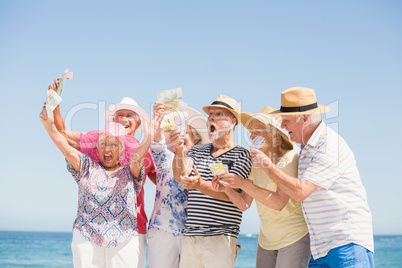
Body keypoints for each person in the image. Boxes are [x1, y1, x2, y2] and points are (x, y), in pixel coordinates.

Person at [252, 87, 374, 267]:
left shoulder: (328, 145)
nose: (283, 125)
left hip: (345, 243)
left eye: (286, 120)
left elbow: (301, 191)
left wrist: (268, 166)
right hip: (319, 247)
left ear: (305, 118)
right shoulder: (305, 148)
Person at [48, 79, 156, 268]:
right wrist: (54, 105)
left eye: (129, 115)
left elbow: (160, 182)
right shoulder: (97, 140)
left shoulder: (146, 150)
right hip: (94, 226)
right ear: (113, 121)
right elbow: (63, 134)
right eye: (120, 115)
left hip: (133, 226)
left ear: (138, 124)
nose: (124, 119)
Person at [213, 106, 311, 268]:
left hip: (293, 238)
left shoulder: (291, 158)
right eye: (251, 131)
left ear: (275, 135)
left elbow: (279, 203)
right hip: (266, 240)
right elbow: (244, 204)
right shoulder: (255, 163)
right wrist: (227, 189)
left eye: (257, 131)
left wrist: (243, 183)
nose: (251, 136)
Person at [172, 95, 252, 268]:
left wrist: (200, 185)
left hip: (221, 237)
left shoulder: (242, 155)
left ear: (232, 122)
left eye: (218, 114)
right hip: (190, 236)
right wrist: (179, 151)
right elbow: (180, 175)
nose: (211, 118)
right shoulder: (197, 151)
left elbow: (231, 197)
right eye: (210, 114)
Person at [147, 101, 210, 267]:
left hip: (193, 235)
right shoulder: (166, 157)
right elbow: (157, 139)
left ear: (196, 139)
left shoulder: (205, 165)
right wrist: (159, 118)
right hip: (163, 231)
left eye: (186, 132)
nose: (181, 135)